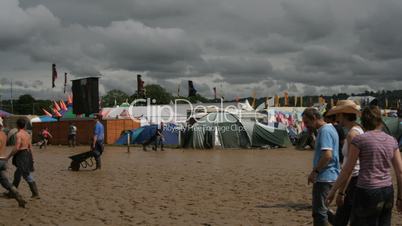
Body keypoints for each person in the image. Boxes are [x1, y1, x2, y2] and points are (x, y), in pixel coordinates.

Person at [326, 106, 402, 225]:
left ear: (363, 121)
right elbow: (400, 171)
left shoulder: (360, 140)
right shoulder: (392, 140)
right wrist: (400, 197)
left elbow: (348, 169)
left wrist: (333, 191)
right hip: (387, 190)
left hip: (367, 190)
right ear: (380, 120)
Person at [326, 100, 363, 226]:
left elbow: (350, 167)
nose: (336, 118)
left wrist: (340, 192)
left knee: (341, 220)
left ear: (343, 115)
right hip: (357, 180)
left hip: (352, 181)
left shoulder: (352, 134)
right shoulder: (359, 130)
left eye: (337, 114)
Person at [303, 108, 340, 226]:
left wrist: (315, 172)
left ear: (314, 118)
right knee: (323, 208)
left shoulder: (325, 131)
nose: (306, 125)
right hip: (330, 175)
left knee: (319, 212)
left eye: (307, 122)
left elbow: (327, 155)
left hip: (325, 176)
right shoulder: (328, 129)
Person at [6, 118, 39, 199]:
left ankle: (35, 194)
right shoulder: (28, 134)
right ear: (24, 125)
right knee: (17, 174)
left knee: (26, 175)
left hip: (21, 155)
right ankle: (12, 192)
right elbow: (30, 147)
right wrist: (32, 158)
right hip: (27, 155)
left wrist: (8, 156)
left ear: (17, 125)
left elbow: (16, 147)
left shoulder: (18, 134)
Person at [0, 118, 26, 207]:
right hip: (3, 161)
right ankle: (18, 197)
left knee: (5, 182)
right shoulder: (4, 134)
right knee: (5, 182)